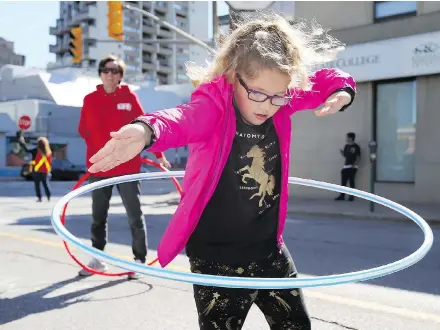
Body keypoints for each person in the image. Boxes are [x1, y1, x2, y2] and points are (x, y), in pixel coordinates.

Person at [88, 14, 356, 330]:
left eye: (278, 96)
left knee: (296, 326)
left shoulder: (280, 97)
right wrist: (146, 129)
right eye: (256, 93)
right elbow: (180, 118)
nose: (268, 105)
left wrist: (342, 91)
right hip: (217, 258)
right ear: (232, 75)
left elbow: (325, 78)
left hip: (269, 249)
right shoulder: (214, 105)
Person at [77, 55, 171, 280]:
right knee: (98, 216)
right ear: (100, 73)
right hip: (100, 167)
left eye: (115, 71)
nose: (110, 74)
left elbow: (144, 126)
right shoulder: (90, 99)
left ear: (120, 75)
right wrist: (96, 152)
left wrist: (159, 155)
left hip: (127, 167)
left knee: (134, 216)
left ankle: (139, 261)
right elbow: (83, 130)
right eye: (106, 70)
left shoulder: (130, 97)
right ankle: (97, 258)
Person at [19, 135, 52, 202]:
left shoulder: (36, 150)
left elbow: (27, 150)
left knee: (37, 185)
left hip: (36, 170)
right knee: (45, 184)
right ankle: (48, 197)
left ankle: (39, 198)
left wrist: (22, 142)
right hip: (45, 170)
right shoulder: (48, 152)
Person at [335, 132, 361, 201]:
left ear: (350, 138)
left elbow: (358, 157)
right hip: (346, 166)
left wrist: (354, 165)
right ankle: (342, 195)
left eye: (347, 137)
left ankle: (351, 196)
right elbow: (345, 155)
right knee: (343, 181)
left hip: (352, 167)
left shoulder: (356, 147)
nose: (346, 139)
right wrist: (342, 153)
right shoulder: (346, 146)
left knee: (351, 181)